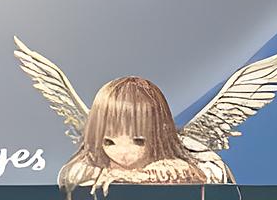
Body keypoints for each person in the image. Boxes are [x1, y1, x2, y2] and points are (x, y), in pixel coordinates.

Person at [59, 75, 210, 196]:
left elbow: (197, 175)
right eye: (109, 142)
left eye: (138, 141)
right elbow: (70, 174)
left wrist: (130, 177)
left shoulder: (175, 167)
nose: (123, 153)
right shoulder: (90, 166)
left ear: (160, 133)